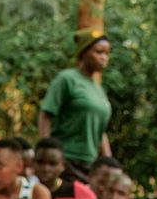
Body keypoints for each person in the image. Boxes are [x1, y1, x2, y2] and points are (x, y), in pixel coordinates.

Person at [39, 29, 113, 180]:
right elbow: (45, 114)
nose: (104, 57)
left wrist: (109, 163)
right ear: (83, 52)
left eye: (106, 53)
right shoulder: (67, 79)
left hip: (90, 165)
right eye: (99, 52)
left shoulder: (98, 89)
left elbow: (101, 131)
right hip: (66, 161)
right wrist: (46, 153)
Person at [34, 137, 101, 199]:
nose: (46, 169)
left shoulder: (75, 190)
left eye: (52, 163)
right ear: (32, 163)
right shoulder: (26, 190)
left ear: (63, 166)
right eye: (40, 162)